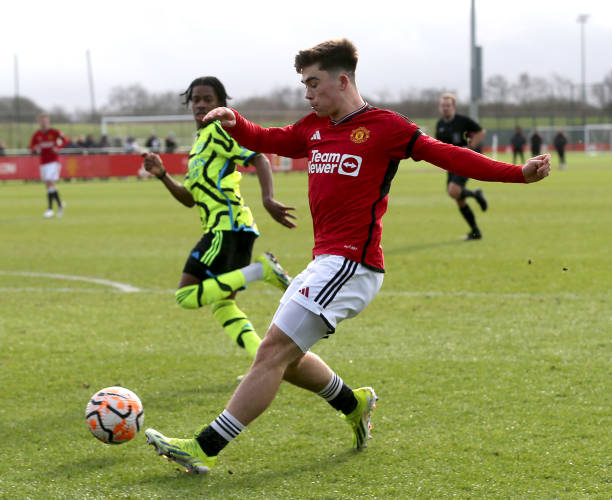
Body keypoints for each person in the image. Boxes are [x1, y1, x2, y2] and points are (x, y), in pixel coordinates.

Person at [145, 39, 551, 475]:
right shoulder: (314, 126)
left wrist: (517, 174)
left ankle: (204, 447)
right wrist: (235, 120)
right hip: (327, 262)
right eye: (303, 84)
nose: (307, 93)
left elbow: (447, 154)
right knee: (288, 359)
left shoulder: (385, 126)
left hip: (353, 264)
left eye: (313, 83)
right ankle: (352, 403)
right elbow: (268, 139)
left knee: (271, 354)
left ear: (342, 80)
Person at [141, 76, 296, 362]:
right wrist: (163, 175)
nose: (200, 105)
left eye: (207, 99)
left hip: (226, 228)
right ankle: (263, 363)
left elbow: (258, 157)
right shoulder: (199, 142)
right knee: (223, 305)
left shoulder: (219, 131)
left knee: (186, 296)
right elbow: (190, 199)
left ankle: (261, 271)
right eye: (196, 100)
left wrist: (267, 198)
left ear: (220, 104)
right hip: (233, 230)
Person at [435, 93, 488, 240]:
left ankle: (476, 196)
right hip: (451, 164)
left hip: (465, 161)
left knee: (453, 191)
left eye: (448, 105)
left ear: (453, 107)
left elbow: (481, 132)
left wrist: (470, 148)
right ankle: (475, 231)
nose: (445, 108)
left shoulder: (462, 121)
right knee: (458, 198)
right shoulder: (440, 125)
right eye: (443, 105)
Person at [29, 112, 68, 218]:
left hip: (54, 161)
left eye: (45, 121)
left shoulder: (55, 132)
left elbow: (65, 140)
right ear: (39, 122)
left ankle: (50, 209)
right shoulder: (37, 135)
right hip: (43, 162)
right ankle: (60, 205)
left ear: (48, 121)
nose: (44, 123)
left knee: (50, 182)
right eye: (42, 121)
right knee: (48, 185)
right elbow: (31, 146)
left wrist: (58, 148)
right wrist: (34, 149)